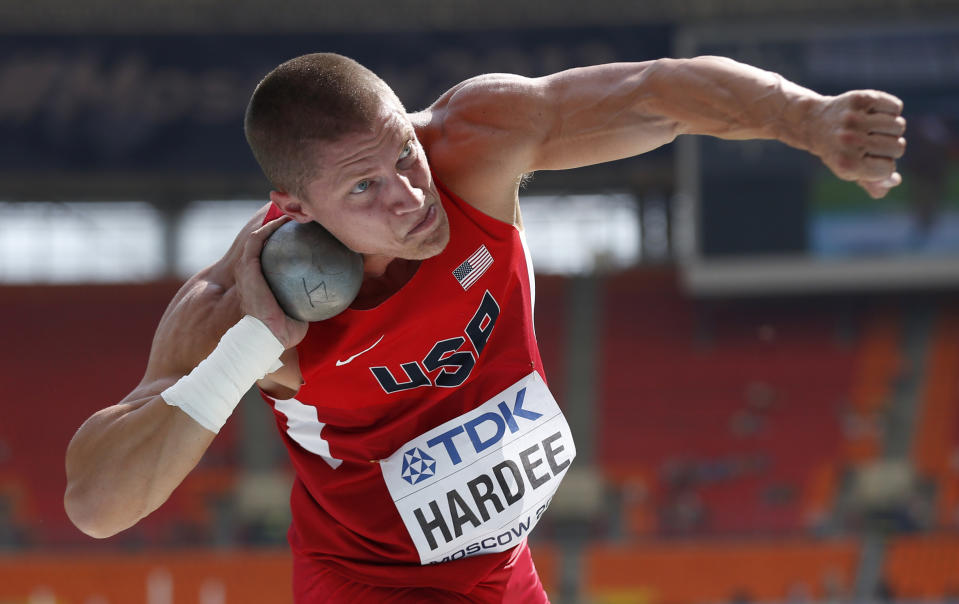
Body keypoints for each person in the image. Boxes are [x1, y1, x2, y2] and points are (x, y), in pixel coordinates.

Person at [64, 52, 906, 603]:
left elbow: (655, 92)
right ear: (296, 210)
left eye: (402, 152)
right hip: (367, 584)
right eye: (362, 191)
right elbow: (98, 507)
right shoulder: (236, 305)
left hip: (501, 570)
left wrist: (805, 119)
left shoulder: (472, 145)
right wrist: (248, 350)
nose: (408, 193)